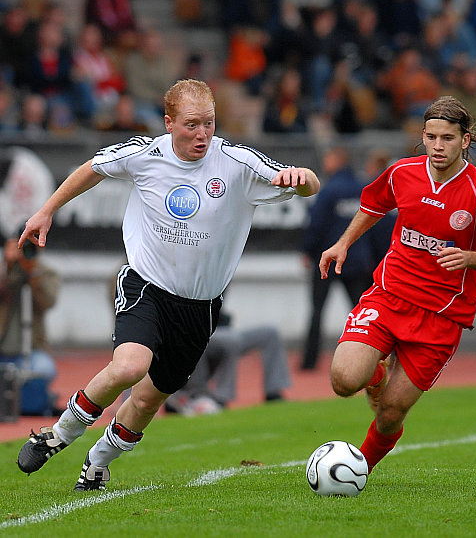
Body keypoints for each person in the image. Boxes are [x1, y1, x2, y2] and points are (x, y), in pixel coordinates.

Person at [15, 78, 319, 490]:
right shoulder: (144, 154)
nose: (203, 134)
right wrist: (47, 210)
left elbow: (303, 186)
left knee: (147, 399)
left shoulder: (236, 161)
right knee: (130, 366)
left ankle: (98, 461)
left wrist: (304, 178)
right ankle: (58, 434)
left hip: (201, 306)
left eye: (209, 123)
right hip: (147, 286)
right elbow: (92, 168)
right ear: (169, 122)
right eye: (192, 124)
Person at [319, 95, 476, 473]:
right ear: (422, 136)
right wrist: (342, 243)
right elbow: (373, 205)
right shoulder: (403, 173)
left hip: (441, 317)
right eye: (430, 137)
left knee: (391, 413)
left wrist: (470, 257)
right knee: (344, 380)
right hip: (389, 295)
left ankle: (357, 470)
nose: (437, 146)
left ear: (465, 141)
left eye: (446, 138)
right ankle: (375, 376)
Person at [300, 146, 377, 371]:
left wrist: (307, 251)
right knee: (363, 315)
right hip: (358, 261)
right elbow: (374, 225)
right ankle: (371, 358)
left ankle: (309, 361)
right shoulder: (362, 189)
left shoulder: (329, 190)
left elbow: (315, 225)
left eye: (328, 158)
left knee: (317, 311)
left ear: (337, 160)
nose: (325, 162)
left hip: (327, 260)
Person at [165, 304, 291, 414]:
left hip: (221, 331)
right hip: (197, 335)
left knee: (270, 332)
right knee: (229, 340)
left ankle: (273, 393)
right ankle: (216, 398)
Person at [0, 232, 61, 416]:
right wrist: (8, 266)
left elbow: (48, 302)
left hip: (30, 351)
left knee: (45, 368)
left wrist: (32, 273)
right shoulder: (4, 270)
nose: (24, 252)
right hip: (3, 350)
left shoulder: (45, 273)